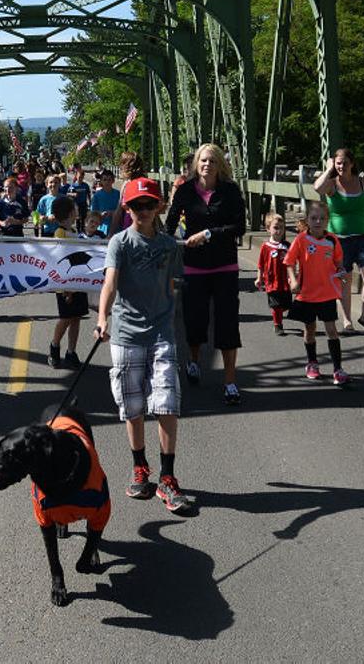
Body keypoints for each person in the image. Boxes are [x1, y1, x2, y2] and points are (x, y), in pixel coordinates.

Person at [94, 177, 191, 514]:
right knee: (132, 405)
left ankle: (167, 476)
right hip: (126, 333)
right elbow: (109, 283)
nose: (143, 211)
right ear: (128, 208)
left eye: (149, 204)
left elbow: (173, 283)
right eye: (136, 206)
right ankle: (140, 468)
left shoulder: (168, 245)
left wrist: (171, 309)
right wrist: (103, 317)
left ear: (159, 206)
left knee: (166, 401)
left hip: (161, 330)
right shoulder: (119, 242)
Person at [165, 143, 247, 406]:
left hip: (224, 265)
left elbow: (239, 227)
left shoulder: (230, 191)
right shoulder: (186, 191)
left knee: (227, 322)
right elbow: (170, 223)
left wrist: (210, 234)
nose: (207, 165)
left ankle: (230, 381)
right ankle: (193, 359)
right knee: (195, 320)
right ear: (195, 164)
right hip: (194, 266)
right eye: (203, 160)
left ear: (219, 164)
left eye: (212, 161)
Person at [313, 147, 364, 334]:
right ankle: (347, 321)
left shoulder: (363, 183)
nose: (341, 166)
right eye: (338, 163)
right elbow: (317, 188)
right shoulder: (331, 184)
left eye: (344, 163)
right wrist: (329, 168)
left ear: (352, 164)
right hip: (339, 240)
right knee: (345, 281)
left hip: (363, 237)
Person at [285, 202, 349, 386]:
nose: (318, 221)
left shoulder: (333, 240)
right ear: (307, 220)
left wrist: (342, 271)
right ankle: (312, 363)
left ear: (328, 220)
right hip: (306, 293)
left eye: (322, 218)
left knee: (331, 330)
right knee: (310, 329)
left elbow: (339, 262)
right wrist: (293, 280)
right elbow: (289, 262)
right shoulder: (301, 239)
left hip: (327, 292)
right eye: (314, 218)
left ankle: (338, 369)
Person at [47, 194, 88, 369]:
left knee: (76, 318)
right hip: (65, 285)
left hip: (78, 282)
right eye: (75, 207)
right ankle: (54, 346)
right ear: (70, 213)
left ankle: (72, 351)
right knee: (65, 318)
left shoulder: (76, 232)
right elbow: (60, 259)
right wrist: (66, 287)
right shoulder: (60, 233)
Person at [256, 212, 292, 335]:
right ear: (268, 229)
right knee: (276, 305)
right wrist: (259, 278)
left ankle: (279, 314)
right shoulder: (265, 247)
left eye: (281, 228)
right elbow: (261, 264)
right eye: (276, 227)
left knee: (286, 305)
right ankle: (278, 325)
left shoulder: (287, 246)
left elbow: (293, 262)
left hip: (285, 281)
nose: (279, 231)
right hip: (272, 282)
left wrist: (294, 276)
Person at [89, 167, 121, 237]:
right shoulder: (97, 195)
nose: (107, 182)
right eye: (105, 180)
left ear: (113, 181)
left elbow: (122, 211)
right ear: (101, 181)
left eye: (109, 180)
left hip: (116, 228)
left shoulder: (118, 194)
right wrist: (100, 214)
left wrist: (113, 213)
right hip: (102, 227)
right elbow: (93, 213)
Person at [61, 164, 91, 229]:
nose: (80, 178)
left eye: (82, 177)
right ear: (76, 176)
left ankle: (82, 230)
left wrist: (90, 203)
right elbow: (68, 193)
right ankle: (78, 230)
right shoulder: (73, 186)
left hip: (83, 204)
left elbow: (88, 194)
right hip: (76, 204)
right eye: (79, 177)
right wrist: (73, 194)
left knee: (83, 218)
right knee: (77, 218)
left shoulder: (85, 185)